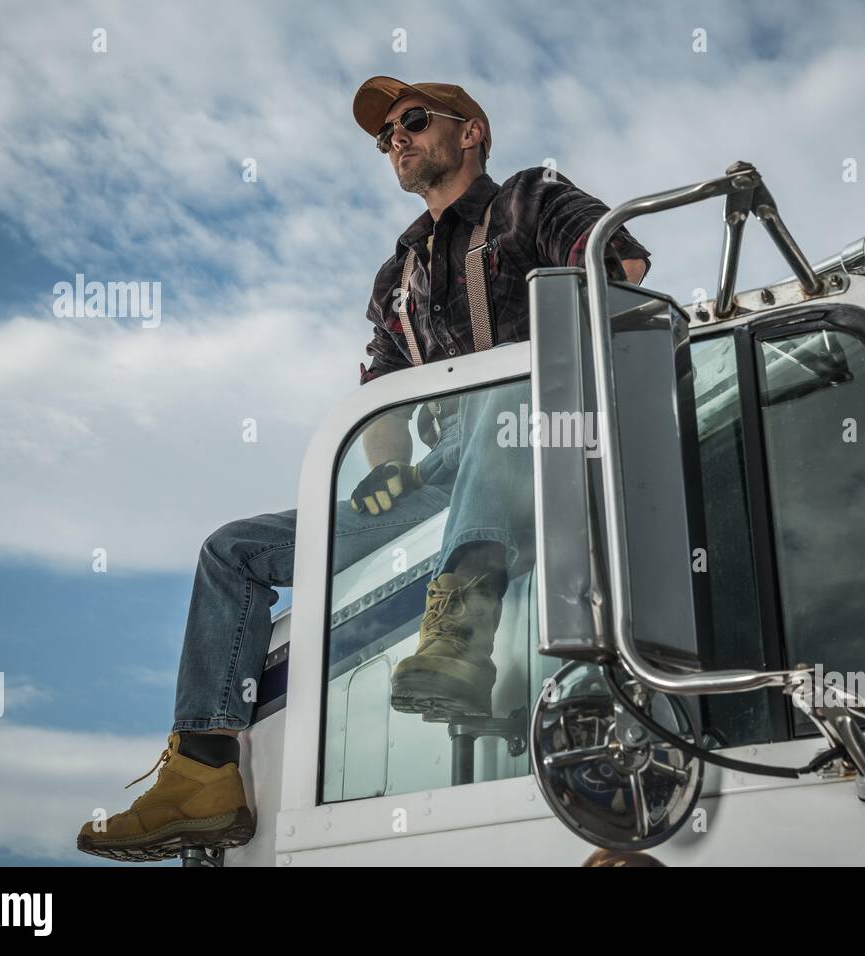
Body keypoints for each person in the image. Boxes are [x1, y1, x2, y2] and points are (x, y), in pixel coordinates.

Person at [77, 75, 651, 861]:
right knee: (231, 550)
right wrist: (387, 467)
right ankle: (205, 773)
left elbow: (619, 268)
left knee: (496, 391)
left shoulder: (528, 199)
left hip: (547, 440)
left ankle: (459, 634)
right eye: (385, 137)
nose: (397, 141)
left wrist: (539, 367)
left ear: (472, 131)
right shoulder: (400, 275)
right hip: (449, 478)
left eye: (412, 122)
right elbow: (381, 395)